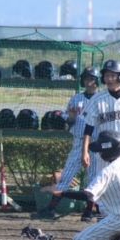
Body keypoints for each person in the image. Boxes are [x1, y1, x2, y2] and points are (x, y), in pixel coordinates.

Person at [41, 130, 120, 240]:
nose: (99, 153)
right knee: (102, 204)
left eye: (101, 150)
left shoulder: (108, 171)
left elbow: (88, 195)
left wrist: (61, 193)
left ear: (108, 152)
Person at [81, 59, 120, 238]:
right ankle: (104, 221)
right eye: (106, 75)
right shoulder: (97, 99)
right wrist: (84, 151)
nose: (109, 79)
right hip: (106, 148)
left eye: (112, 75)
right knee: (104, 183)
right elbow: (88, 128)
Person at [33, 66, 101, 221]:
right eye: (86, 78)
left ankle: (88, 212)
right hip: (78, 142)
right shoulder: (76, 99)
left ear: (96, 80)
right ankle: (51, 210)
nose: (88, 81)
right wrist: (70, 117)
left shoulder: (102, 99)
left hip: (95, 144)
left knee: (93, 180)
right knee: (65, 177)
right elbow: (67, 126)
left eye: (91, 78)